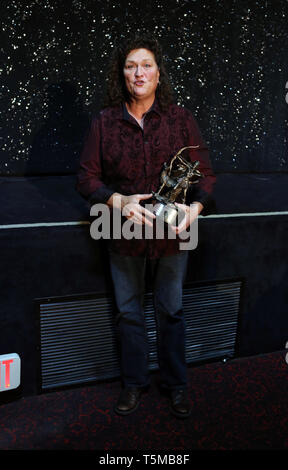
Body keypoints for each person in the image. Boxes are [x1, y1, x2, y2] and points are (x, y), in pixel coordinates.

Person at [77, 35, 216, 418]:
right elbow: (86, 180)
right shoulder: (104, 122)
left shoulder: (180, 119)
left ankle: (176, 386)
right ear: (122, 75)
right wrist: (116, 200)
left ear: (158, 74)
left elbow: (206, 175)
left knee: (171, 311)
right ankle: (134, 385)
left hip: (172, 232)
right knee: (128, 313)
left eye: (147, 65)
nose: (139, 73)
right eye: (131, 66)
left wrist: (196, 208)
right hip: (122, 231)